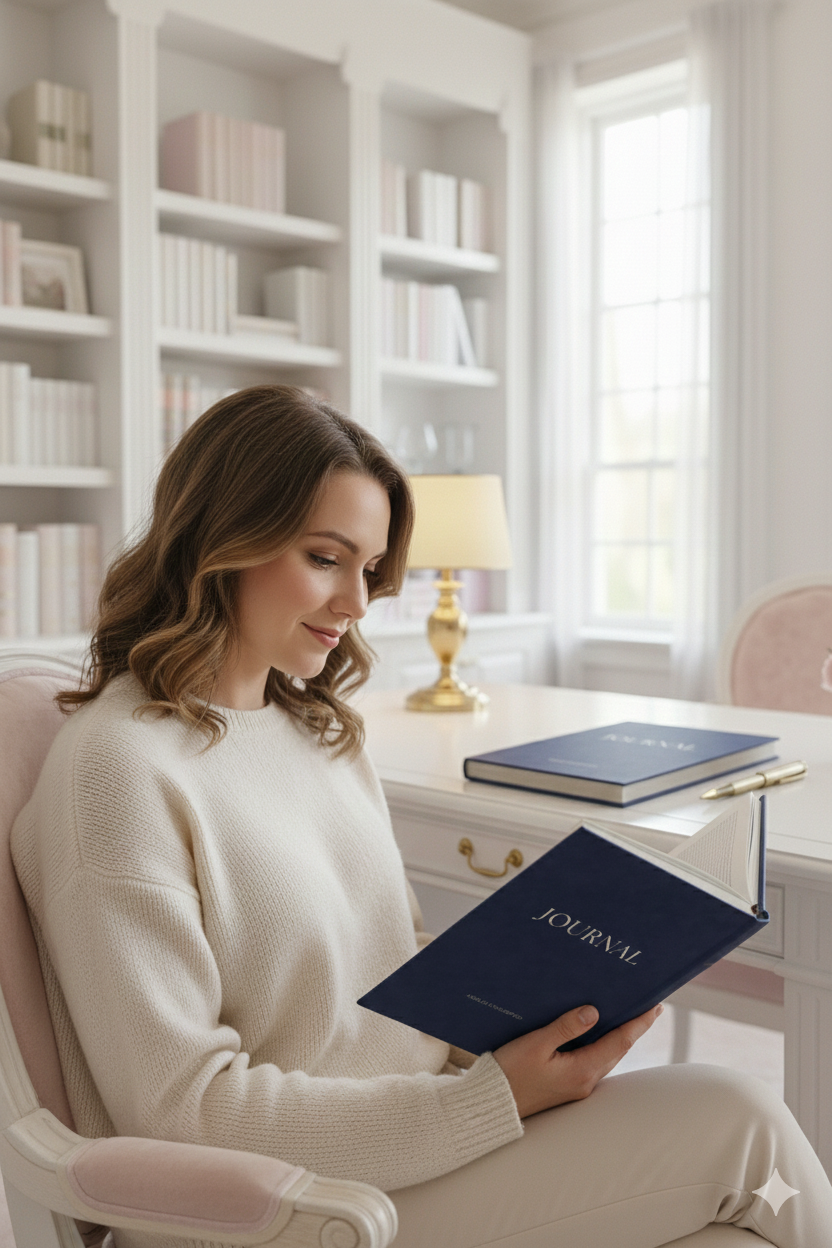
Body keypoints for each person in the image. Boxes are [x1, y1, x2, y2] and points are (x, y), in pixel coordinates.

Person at [11, 386, 832, 1248]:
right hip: (277, 1207)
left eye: (368, 569)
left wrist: (530, 1005)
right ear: (220, 541)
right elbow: (180, 1108)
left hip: (418, 1143)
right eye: (326, 559)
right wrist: (489, 1102)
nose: (358, 604)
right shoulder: (116, 770)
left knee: (740, 1230)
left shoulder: (318, 733)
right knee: (737, 1121)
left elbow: (387, 985)